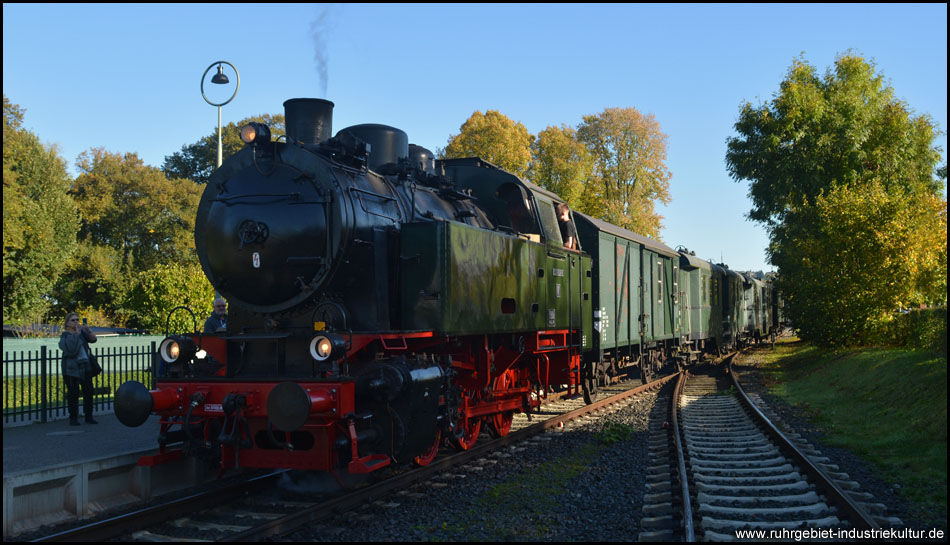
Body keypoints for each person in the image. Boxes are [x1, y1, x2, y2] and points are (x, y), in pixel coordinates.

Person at [59, 312, 98, 425]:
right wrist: (76, 334)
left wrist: (88, 330)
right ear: (67, 323)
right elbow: (70, 349)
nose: (76, 322)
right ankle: (73, 417)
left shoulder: (83, 333)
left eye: (77, 320)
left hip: (85, 367)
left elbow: (94, 340)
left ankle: (89, 416)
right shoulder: (65, 335)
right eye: (73, 320)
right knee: (73, 393)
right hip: (71, 369)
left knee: (88, 392)